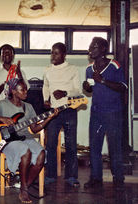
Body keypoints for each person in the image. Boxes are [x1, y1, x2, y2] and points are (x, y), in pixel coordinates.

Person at [0, 78, 58, 203]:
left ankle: (24, 186)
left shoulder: (28, 107)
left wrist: (48, 118)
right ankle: (24, 190)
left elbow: (35, 128)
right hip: (8, 141)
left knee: (41, 153)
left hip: (25, 138)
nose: (26, 92)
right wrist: (2, 119)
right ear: (14, 92)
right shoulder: (2, 104)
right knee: (25, 151)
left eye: (26, 89)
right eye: (22, 90)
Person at [83, 37, 127, 190]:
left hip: (113, 113)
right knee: (94, 147)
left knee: (115, 147)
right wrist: (87, 87)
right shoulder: (89, 68)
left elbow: (123, 87)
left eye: (94, 46)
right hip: (96, 113)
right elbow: (91, 89)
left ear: (103, 49)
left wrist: (102, 81)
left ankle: (118, 179)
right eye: (90, 45)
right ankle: (96, 178)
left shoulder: (114, 65)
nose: (90, 48)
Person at [42, 42, 82, 187]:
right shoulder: (47, 70)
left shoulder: (73, 69)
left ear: (64, 55)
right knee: (50, 144)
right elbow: (45, 87)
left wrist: (65, 93)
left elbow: (78, 90)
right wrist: (46, 99)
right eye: (52, 52)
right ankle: (51, 175)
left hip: (69, 110)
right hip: (54, 111)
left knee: (71, 144)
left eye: (56, 53)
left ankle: (71, 176)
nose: (53, 55)